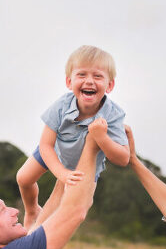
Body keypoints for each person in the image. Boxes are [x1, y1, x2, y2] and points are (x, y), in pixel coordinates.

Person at [16, 45, 130, 231]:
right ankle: (31, 211)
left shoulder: (113, 115)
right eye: (82, 75)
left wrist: (102, 138)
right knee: (23, 178)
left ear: (110, 85)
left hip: (83, 169)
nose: (89, 81)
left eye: (98, 76)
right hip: (55, 151)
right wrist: (61, 172)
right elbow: (45, 145)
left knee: (45, 223)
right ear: (69, 82)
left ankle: (36, 234)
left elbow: (123, 158)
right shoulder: (62, 105)